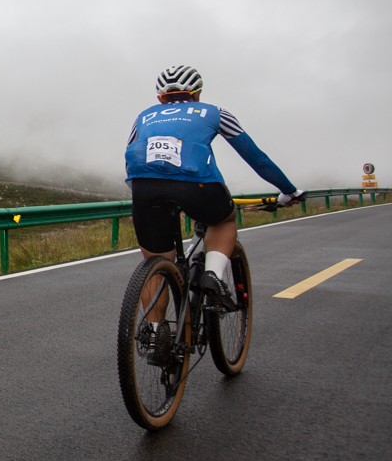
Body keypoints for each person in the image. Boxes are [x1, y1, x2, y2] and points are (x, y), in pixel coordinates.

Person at [125, 65, 304, 309]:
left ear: (160, 98)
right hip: (197, 186)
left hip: (144, 188)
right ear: (197, 93)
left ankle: (156, 334)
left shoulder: (143, 117)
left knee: (157, 267)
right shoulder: (214, 112)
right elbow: (258, 159)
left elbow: (129, 158)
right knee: (223, 220)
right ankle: (213, 276)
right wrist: (289, 190)